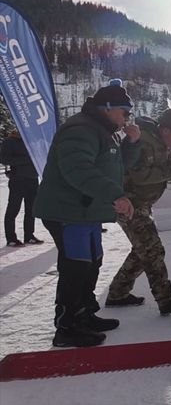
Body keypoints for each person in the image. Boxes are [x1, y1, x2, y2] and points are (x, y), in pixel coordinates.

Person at [34, 79, 141, 347]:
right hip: (68, 212)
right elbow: (78, 169)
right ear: (108, 107)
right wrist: (115, 195)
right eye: (124, 111)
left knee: (92, 262)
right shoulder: (81, 129)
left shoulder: (102, 131)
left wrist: (132, 143)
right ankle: (67, 327)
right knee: (76, 267)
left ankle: (84, 315)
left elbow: (115, 166)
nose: (127, 117)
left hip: (86, 211)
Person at [105, 109, 171, 315]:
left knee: (142, 251)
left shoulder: (165, 146)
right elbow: (141, 176)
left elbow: (162, 175)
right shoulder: (145, 142)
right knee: (153, 250)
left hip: (141, 204)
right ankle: (166, 300)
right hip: (128, 203)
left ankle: (117, 294)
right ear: (165, 130)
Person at [2, 130, 43, 246]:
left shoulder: (32, 141)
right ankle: (11, 238)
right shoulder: (9, 141)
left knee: (31, 210)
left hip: (32, 179)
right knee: (13, 209)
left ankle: (29, 236)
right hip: (17, 179)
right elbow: (4, 159)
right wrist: (28, 159)